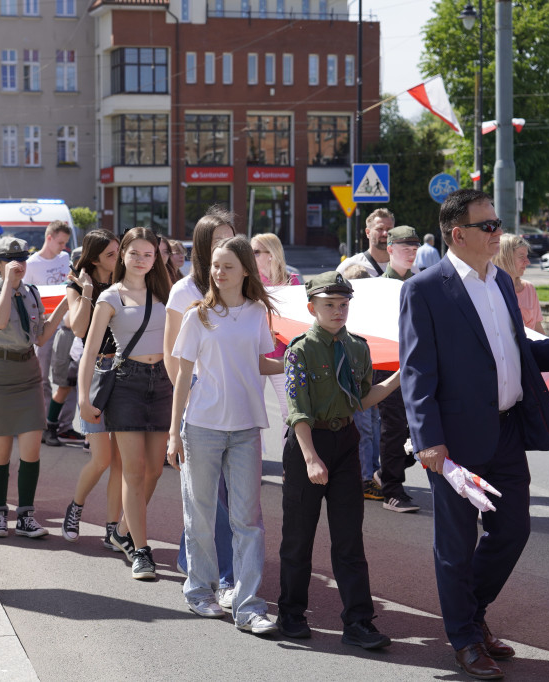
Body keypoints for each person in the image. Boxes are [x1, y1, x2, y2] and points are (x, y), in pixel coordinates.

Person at [400, 189, 549, 680]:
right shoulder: (424, 289)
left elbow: (514, 350)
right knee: (454, 546)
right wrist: (428, 440)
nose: (498, 232)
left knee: (514, 530)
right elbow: (417, 373)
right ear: (459, 234)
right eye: (489, 226)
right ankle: (464, 638)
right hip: (452, 443)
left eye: (498, 224)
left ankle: (470, 617)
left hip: (505, 432)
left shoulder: (500, 282)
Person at [167, 235, 283, 635]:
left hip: (247, 428)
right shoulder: (197, 315)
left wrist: (293, 360)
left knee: (247, 520)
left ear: (246, 270)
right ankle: (200, 591)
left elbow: (257, 362)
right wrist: (173, 433)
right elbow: (183, 375)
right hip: (201, 428)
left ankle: (249, 607)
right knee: (199, 513)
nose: (218, 272)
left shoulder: (256, 313)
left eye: (227, 265)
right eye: (215, 265)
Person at [278, 271, 400, 648]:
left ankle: (359, 623)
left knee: (349, 541)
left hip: (345, 442)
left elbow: (361, 399)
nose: (337, 310)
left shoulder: (358, 348)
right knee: (299, 538)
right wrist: (312, 458)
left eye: (343, 304)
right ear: (311, 307)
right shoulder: (300, 349)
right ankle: (291, 613)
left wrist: (399, 376)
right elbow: (297, 410)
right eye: (329, 304)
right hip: (307, 445)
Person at [78, 227, 173, 579]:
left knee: (154, 470)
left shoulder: (167, 292)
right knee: (133, 471)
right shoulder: (110, 298)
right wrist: (83, 397)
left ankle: (121, 531)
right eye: (135, 253)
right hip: (126, 385)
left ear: (156, 257)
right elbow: (90, 350)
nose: (141, 260)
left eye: (149, 254)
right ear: (123, 256)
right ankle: (142, 551)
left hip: (163, 382)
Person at [164, 207, 238, 601]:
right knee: (215, 494)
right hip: (199, 407)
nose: (225, 246)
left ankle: (187, 555)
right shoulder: (185, 290)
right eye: (217, 240)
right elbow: (172, 353)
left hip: (237, 407)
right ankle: (225, 577)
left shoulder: (240, 287)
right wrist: (186, 399)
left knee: (211, 492)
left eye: (230, 238)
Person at [0, 237, 69, 539]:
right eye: (11, 260)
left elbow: (40, 337)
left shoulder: (31, 292)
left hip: (28, 371)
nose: (19, 265)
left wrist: (66, 305)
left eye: (23, 259)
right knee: (1, 452)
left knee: (31, 450)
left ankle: (26, 515)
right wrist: (6, 284)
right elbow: (0, 322)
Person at [61, 229, 123, 548]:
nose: (119, 258)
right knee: (101, 459)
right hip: (96, 371)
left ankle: (112, 529)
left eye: (119, 252)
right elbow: (79, 328)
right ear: (95, 257)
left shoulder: (126, 282)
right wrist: (86, 291)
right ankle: (76, 507)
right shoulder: (76, 285)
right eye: (112, 254)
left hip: (126, 372)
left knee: (122, 462)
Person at [23, 221, 81, 444]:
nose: (63, 247)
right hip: (44, 328)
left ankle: (65, 425)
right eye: (60, 242)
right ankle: (46, 425)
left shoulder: (64, 259)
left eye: (66, 243)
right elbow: (27, 299)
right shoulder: (31, 264)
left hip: (66, 327)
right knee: (43, 378)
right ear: (48, 238)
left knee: (69, 376)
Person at [376, 225, 421, 513]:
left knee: (418, 430)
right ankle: (392, 489)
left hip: (418, 367)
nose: (411, 253)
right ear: (390, 249)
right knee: (393, 428)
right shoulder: (379, 287)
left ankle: (386, 472)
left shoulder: (422, 283)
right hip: (389, 368)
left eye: (415, 248)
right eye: (405, 248)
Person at [251, 232, 298, 455]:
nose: (250, 256)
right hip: (254, 353)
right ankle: (253, 462)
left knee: (289, 413)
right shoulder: (247, 281)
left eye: (255, 252)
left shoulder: (293, 281)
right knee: (252, 412)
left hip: (283, 355)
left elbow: (300, 321)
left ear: (271, 254)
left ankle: (290, 465)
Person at [340, 264, 383, 499]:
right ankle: (365, 477)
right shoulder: (345, 314)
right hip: (354, 381)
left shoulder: (371, 312)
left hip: (371, 374)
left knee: (373, 424)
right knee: (364, 427)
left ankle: (373, 471)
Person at [492, 234, 544, 335]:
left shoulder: (528, 288)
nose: (528, 262)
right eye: (521, 257)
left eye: (527, 256)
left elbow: (537, 328)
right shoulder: (491, 289)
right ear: (505, 258)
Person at [336, 208, 394, 278]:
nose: (385, 233)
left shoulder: (406, 265)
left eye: (389, 229)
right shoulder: (349, 265)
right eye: (380, 229)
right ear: (368, 232)